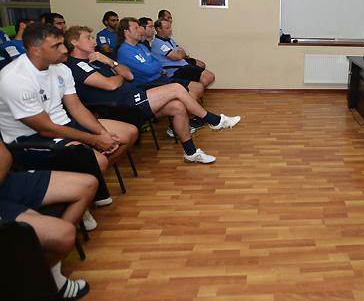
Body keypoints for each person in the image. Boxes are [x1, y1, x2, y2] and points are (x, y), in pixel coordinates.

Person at [0, 23, 138, 226]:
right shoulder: (14, 78)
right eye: (56, 46)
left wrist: (102, 133)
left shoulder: (61, 69)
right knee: (98, 160)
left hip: (64, 124)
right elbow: (45, 128)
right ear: (36, 50)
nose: (65, 49)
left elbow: (76, 108)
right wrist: (95, 140)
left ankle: (80, 186)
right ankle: (78, 194)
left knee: (129, 133)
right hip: (31, 139)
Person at [65, 26, 241, 163]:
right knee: (176, 88)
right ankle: (214, 120)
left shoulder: (97, 60)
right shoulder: (76, 66)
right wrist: (118, 76)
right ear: (74, 42)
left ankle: (191, 153)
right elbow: (111, 84)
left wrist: (110, 62)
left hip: (132, 96)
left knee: (178, 107)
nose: (93, 41)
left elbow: (128, 75)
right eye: (88, 38)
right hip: (119, 107)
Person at [0, 141, 95, 300]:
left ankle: (47, 272)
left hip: (5, 181)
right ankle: (42, 282)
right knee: (63, 234)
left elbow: (3, 156)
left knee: (88, 185)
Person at [151, 18, 215, 93]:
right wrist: (179, 53)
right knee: (209, 77)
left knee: (203, 67)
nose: (170, 30)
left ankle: (193, 93)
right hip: (175, 70)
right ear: (159, 29)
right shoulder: (158, 43)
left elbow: (182, 52)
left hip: (182, 64)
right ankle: (193, 93)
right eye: (167, 28)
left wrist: (180, 53)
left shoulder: (170, 40)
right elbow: (178, 56)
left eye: (170, 27)